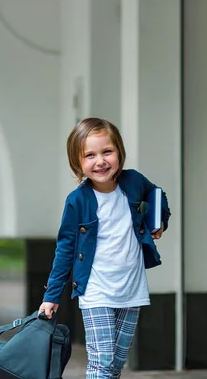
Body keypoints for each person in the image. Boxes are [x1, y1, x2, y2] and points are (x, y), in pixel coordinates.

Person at [39, 117, 171, 379]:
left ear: (119, 152)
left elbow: (158, 195)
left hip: (131, 288)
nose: (100, 161)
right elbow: (65, 249)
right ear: (78, 162)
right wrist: (52, 296)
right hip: (96, 290)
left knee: (116, 363)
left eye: (107, 152)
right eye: (90, 155)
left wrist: (159, 221)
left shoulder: (134, 182)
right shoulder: (77, 200)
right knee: (101, 362)